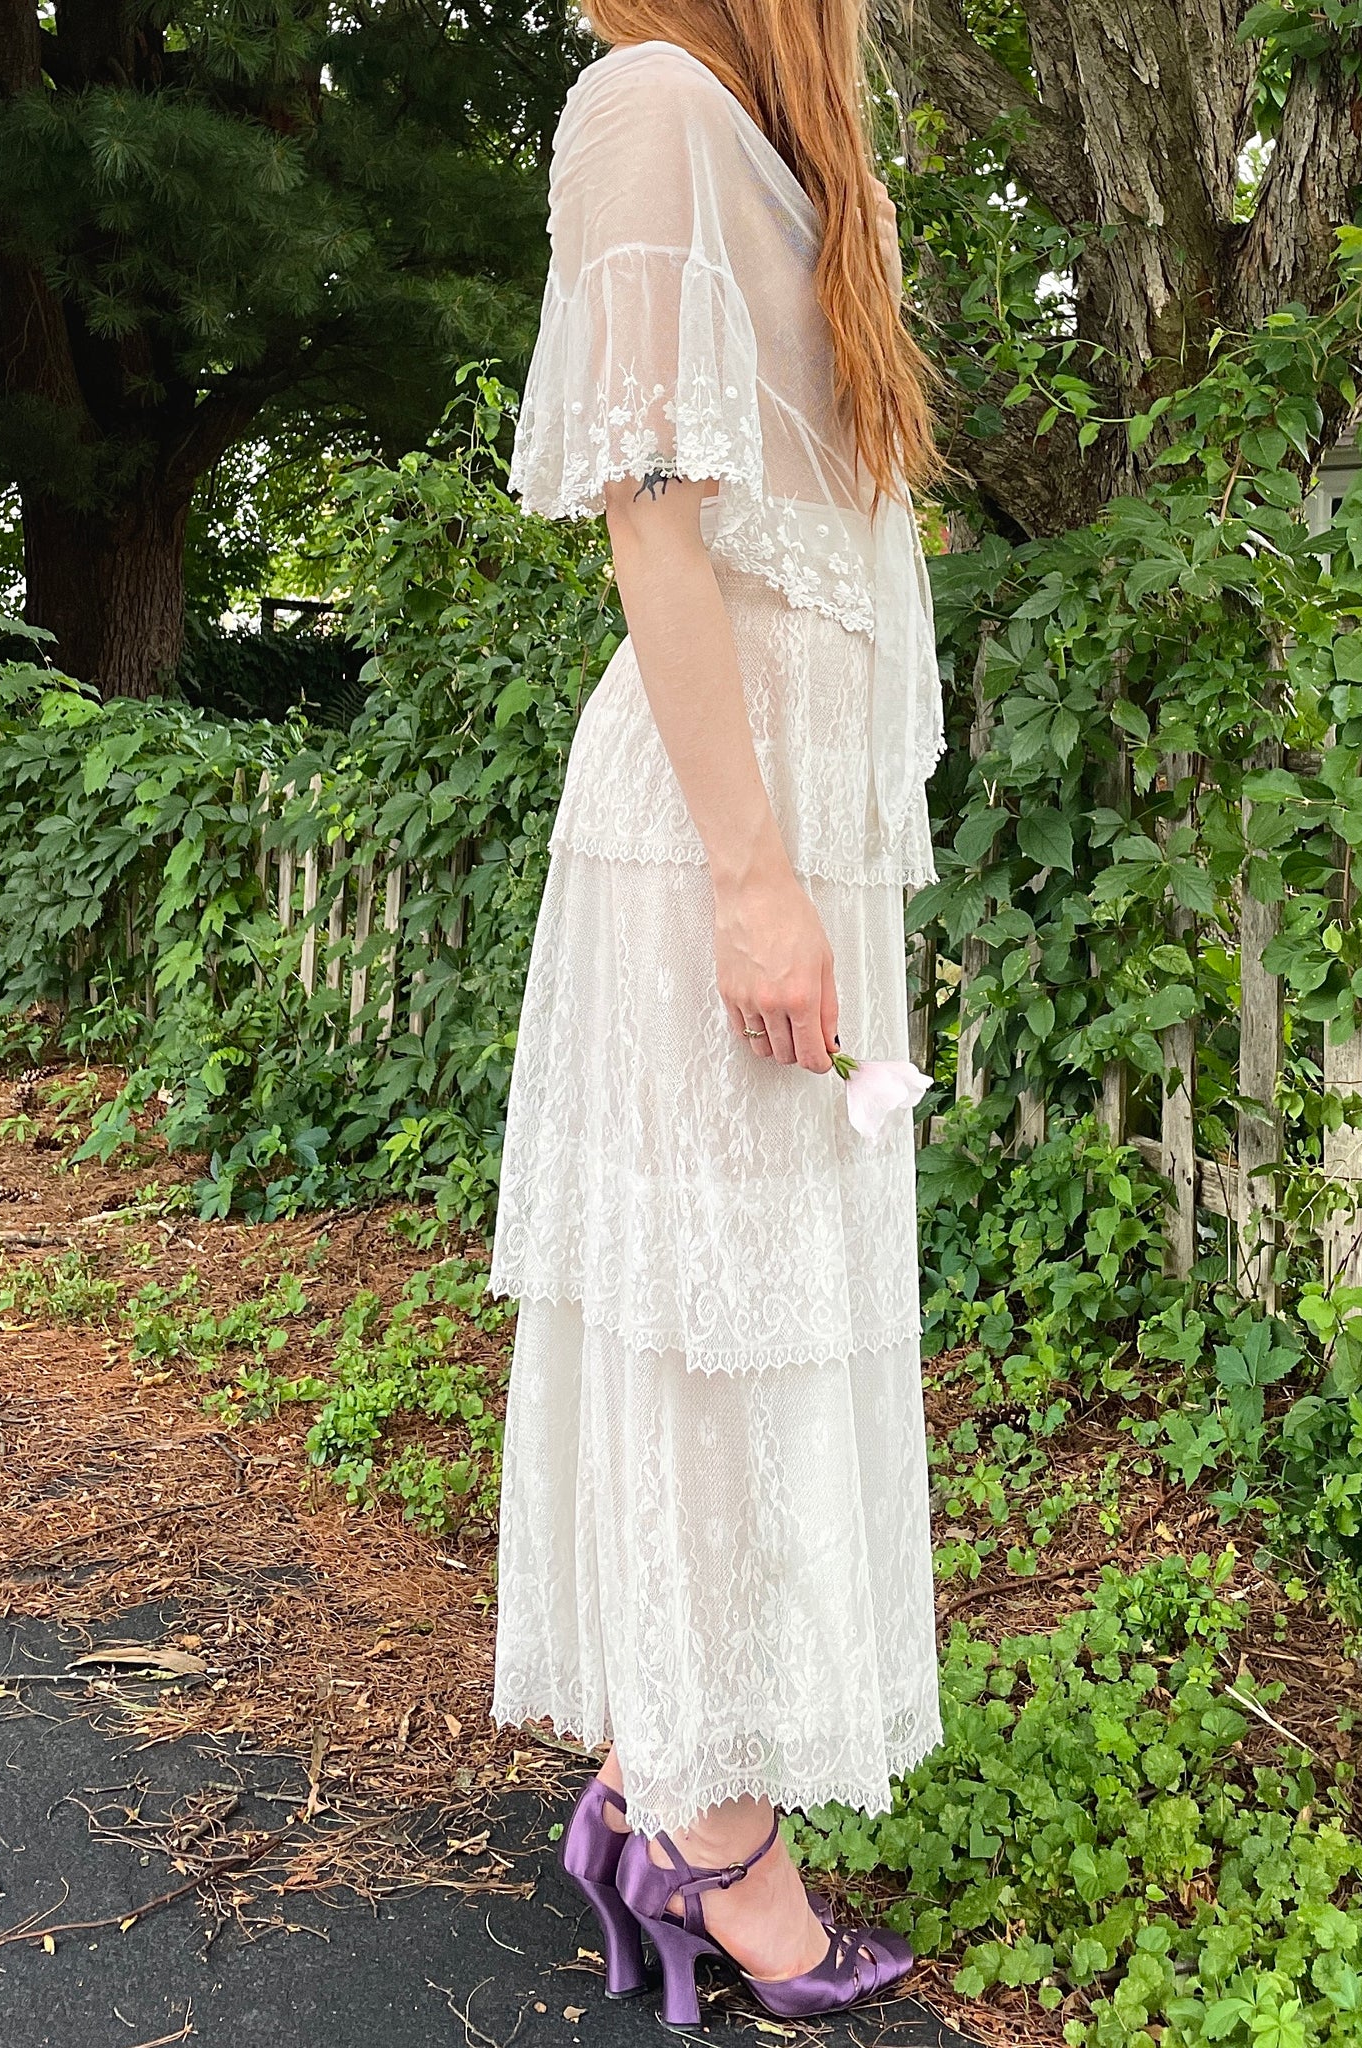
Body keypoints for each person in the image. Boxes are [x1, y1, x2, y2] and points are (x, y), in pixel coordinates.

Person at [487, 0, 946, 2024]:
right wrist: (756, 876)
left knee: (750, 1319)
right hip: (717, 828)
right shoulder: (649, 106)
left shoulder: (755, 137)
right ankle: (708, 1837)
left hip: (780, 820)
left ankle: (662, 1779)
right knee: (710, 1328)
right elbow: (647, 509)